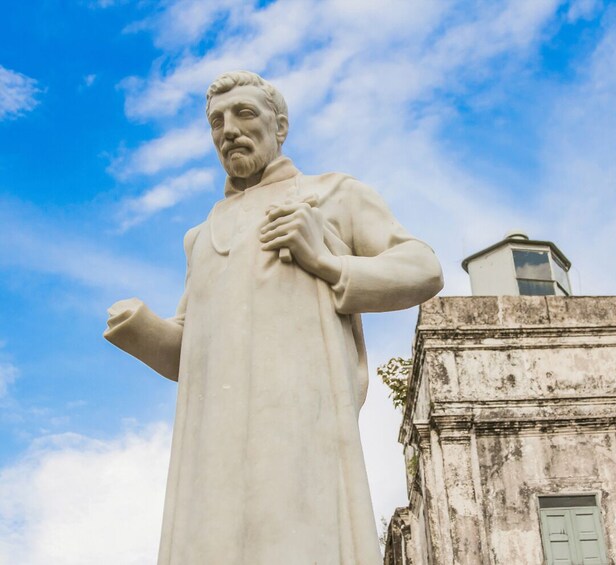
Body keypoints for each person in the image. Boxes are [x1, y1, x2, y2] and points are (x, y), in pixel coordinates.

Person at [104, 70, 444, 565]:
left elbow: (423, 269)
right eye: (216, 121)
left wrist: (326, 262)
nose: (228, 130)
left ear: (279, 126)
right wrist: (140, 329)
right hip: (213, 451)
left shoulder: (335, 194)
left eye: (244, 114)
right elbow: (189, 354)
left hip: (301, 429)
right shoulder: (200, 237)